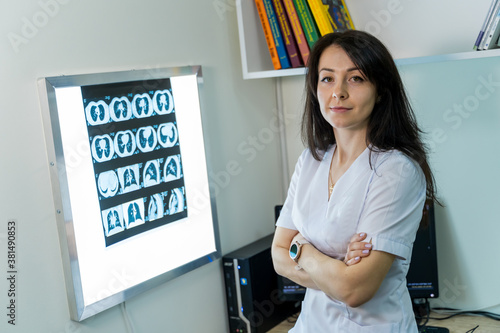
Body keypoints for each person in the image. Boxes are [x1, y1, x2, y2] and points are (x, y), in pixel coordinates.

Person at [271, 30, 438, 332]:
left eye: (356, 78)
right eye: (327, 78)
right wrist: (337, 272)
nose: (338, 92)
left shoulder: (395, 171)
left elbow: (355, 291)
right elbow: (278, 255)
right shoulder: (311, 160)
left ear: (381, 90)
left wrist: (303, 249)